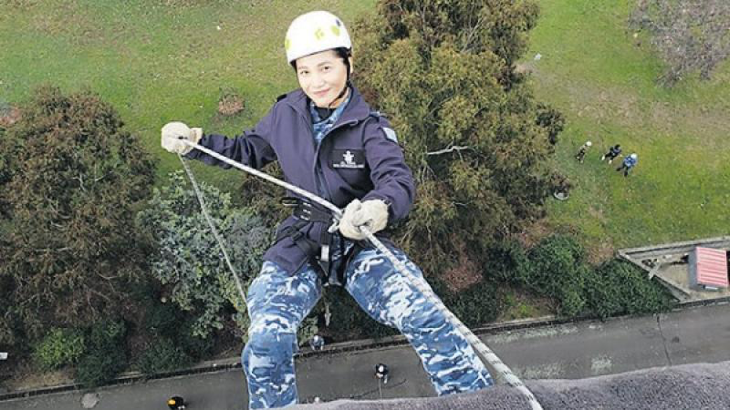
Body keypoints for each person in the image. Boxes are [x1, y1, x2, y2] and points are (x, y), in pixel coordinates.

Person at [161, 10, 493, 409]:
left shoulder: (370, 126)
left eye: (326, 67)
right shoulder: (285, 115)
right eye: (304, 72)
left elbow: (397, 181)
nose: (316, 81)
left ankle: (481, 402)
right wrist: (196, 142)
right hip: (301, 240)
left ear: (348, 64)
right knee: (266, 338)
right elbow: (247, 151)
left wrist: (377, 208)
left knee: (426, 313)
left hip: (358, 242)